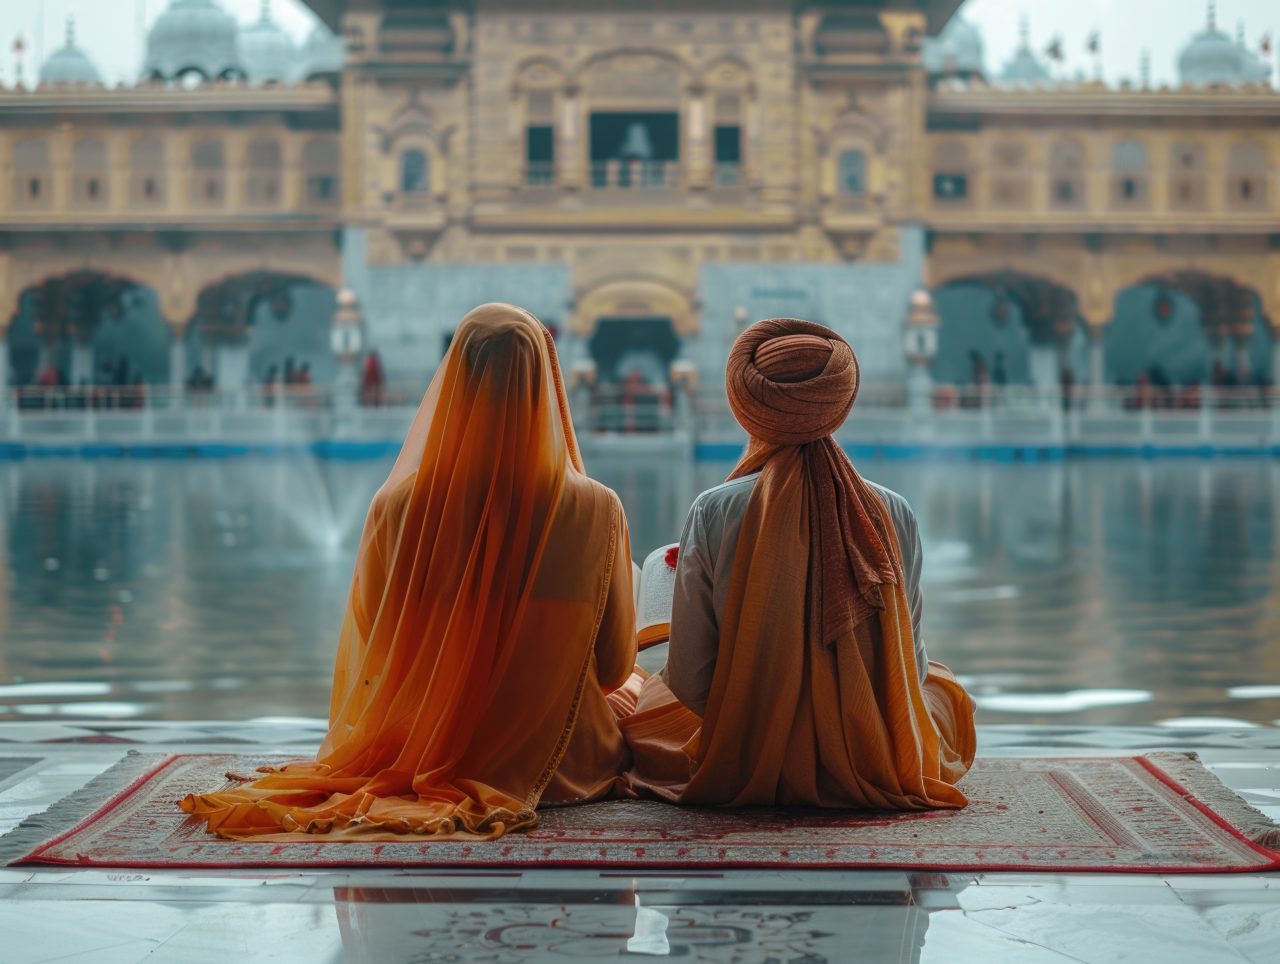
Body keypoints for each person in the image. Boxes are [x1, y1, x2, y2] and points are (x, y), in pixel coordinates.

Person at [180, 303, 639, 840]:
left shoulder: (395, 506)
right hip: (565, 767)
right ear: (547, 383)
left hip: (414, 750)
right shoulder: (597, 509)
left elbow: (378, 645)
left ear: (455, 381)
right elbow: (612, 665)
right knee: (644, 692)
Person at [623, 318, 976, 810]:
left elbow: (690, 679)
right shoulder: (892, 510)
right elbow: (908, 668)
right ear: (840, 402)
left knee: (643, 705)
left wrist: (760, 722)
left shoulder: (715, 509)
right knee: (942, 688)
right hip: (874, 747)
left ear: (746, 406)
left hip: (745, 749)